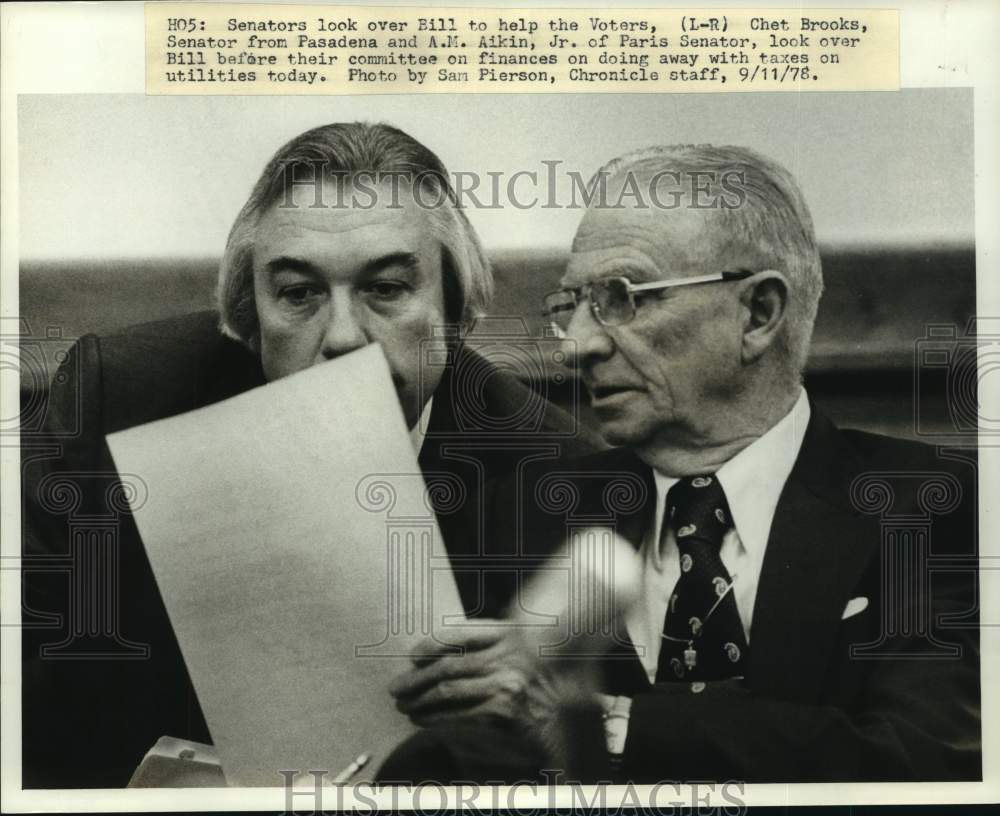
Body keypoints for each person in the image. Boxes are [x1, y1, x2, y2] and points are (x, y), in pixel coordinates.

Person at [20, 122, 596, 787]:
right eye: (298, 294)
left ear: (456, 313)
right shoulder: (120, 400)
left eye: (385, 289)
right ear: (249, 317)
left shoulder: (555, 473)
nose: (345, 337)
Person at [382, 145, 981, 783]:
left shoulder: (934, 504)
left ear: (758, 314)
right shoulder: (520, 513)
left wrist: (598, 721)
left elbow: (919, 761)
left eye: (621, 297)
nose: (578, 345)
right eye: (570, 306)